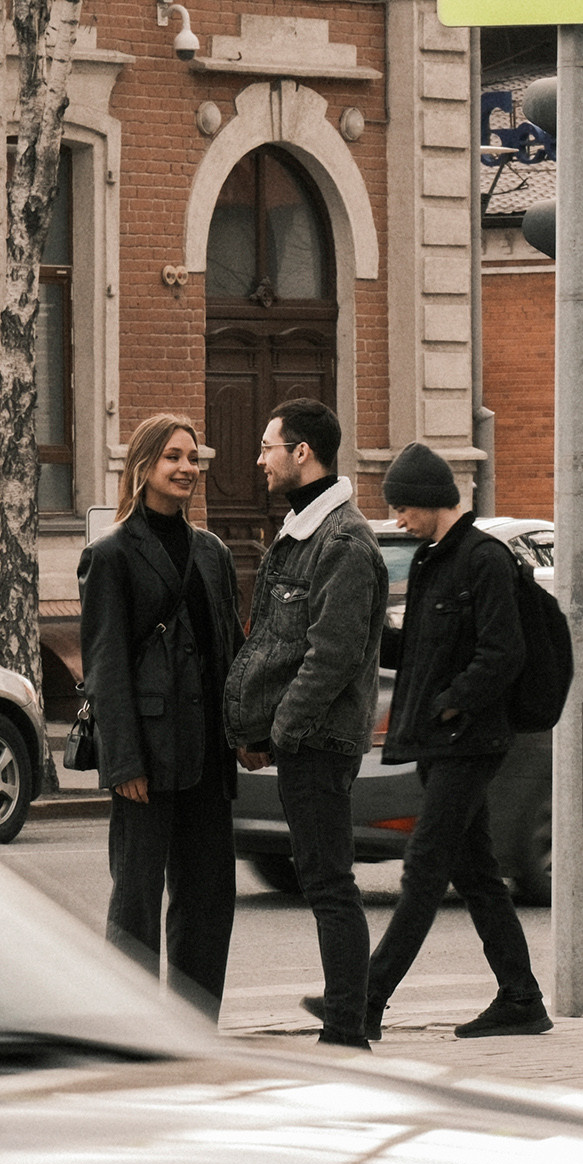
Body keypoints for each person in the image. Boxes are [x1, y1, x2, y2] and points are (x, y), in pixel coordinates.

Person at [345, 444, 552, 1040]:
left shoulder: (485, 559)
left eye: (405, 508)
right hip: (441, 741)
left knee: (424, 870)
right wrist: (371, 636)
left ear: (433, 502)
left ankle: (365, 1001)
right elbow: (420, 652)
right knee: (478, 872)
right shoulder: (436, 558)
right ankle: (521, 997)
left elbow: (503, 652)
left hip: (469, 739)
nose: (399, 520)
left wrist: (448, 703)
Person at [223, 399, 388, 1048]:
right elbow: (275, 645)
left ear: (302, 454)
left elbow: (330, 657)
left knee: (328, 883)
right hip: (302, 740)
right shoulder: (302, 531)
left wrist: (282, 734)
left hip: (319, 742)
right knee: (323, 880)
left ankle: (347, 1028)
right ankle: (348, 1020)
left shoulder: (342, 542)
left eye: (269, 446)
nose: (258, 458)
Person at [79, 415, 243, 1021]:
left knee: (207, 900)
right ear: (144, 466)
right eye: (174, 457)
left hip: (206, 755)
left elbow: (230, 648)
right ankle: (133, 1029)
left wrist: (243, 734)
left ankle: (195, 1026)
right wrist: (122, 761)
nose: (187, 469)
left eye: (194, 459)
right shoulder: (112, 555)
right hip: (145, 757)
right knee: (138, 902)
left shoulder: (213, 553)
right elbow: (106, 666)